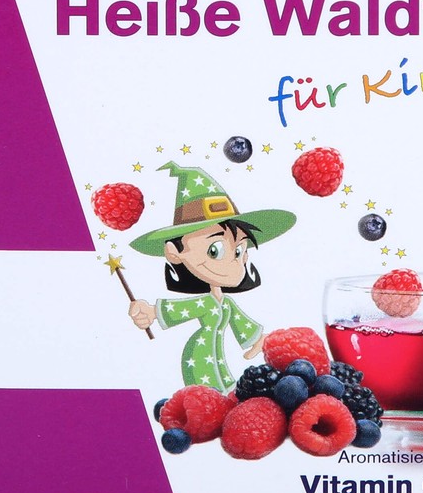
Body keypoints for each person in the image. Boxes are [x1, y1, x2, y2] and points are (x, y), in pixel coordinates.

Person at [127, 161, 296, 391]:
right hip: (199, 359)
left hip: (217, 359)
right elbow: (176, 309)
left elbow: (242, 325)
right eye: (215, 251)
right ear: (174, 252)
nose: (233, 263)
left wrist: (264, 341)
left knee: (226, 386)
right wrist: (149, 311)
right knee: (210, 391)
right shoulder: (205, 303)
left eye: (239, 251)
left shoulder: (225, 303)